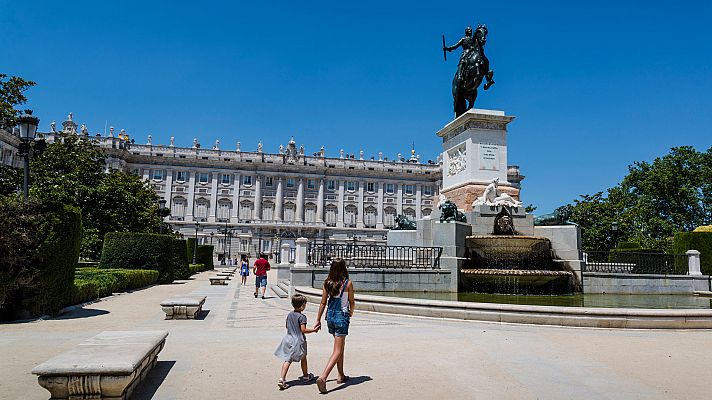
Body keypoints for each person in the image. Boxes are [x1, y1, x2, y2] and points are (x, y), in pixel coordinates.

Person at [314, 259, 355, 394]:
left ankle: (340, 375)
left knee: (340, 346)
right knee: (337, 350)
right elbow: (352, 302)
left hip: (330, 317)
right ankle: (323, 377)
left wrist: (318, 319)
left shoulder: (327, 283)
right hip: (341, 317)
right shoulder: (347, 283)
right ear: (344, 268)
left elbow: (323, 303)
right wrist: (351, 312)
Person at [274, 294, 319, 390]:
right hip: (298, 340)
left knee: (288, 359)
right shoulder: (302, 317)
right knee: (303, 357)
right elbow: (303, 330)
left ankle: (282, 378)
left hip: (288, 339)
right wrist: (314, 330)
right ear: (302, 305)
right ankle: (306, 376)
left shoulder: (290, 314)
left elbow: (287, 326)